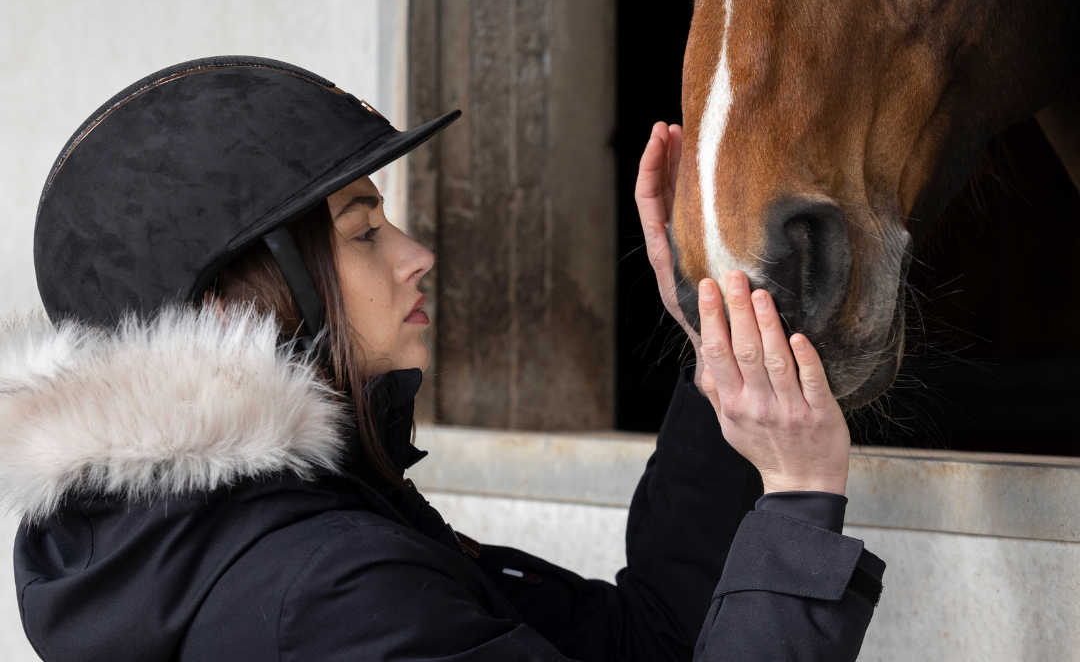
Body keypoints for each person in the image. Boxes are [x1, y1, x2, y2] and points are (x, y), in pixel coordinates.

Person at [0, 56, 884, 661]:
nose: (415, 252)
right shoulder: (330, 592)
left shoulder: (207, 544)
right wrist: (800, 496)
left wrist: (711, 356)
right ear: (233, 310)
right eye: (362, 230)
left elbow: (647, 642)